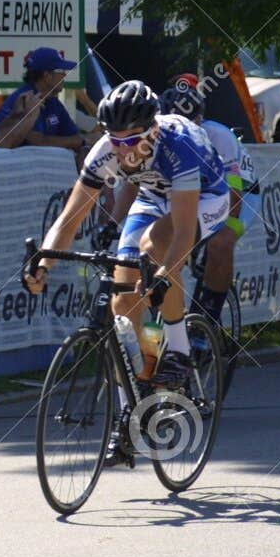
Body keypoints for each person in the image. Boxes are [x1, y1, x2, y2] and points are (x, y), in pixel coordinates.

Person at [25, 81, 230, 459]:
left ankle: (179, 353)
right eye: (115, 141)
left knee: (156, 247)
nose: (124, 150)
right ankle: (129, 415)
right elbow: (68, 222)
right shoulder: (106, 152)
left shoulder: (177, 145)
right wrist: (43, 262)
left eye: (131, 140)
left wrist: (164, 276)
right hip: (153, 198)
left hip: (207, 198)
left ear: (152, 129)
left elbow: (183, 233)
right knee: (122, 307)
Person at [158, 82, 261, 332]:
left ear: (200, 120)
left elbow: (234, 197)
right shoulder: (157, 138)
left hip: (242, 195)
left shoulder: (219, 138)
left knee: (220, 243)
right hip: (196, 194)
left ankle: (208, 322)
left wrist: (209, 231)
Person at [0, 47, 91, 160]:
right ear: (47, 76)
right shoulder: (25, 98)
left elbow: (73, 135)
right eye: (61, 71)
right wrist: (82, 141)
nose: (65, 75)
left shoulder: (53, 101)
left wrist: (83, 147)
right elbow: (37, 141)